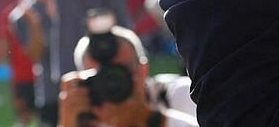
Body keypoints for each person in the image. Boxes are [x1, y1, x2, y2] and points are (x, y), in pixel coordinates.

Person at [57, 20, 197, 127]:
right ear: (84, 81)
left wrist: (148, 119)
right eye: (99, 76)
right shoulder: (85, 117)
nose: (111, 84)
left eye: (118, 73)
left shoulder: (178, 94)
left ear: (143, 70)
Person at [7, 0, 57, 127]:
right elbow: (35, 53)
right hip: (51, 91)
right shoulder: (20, 15)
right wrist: (34, 23)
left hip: (84, 81)